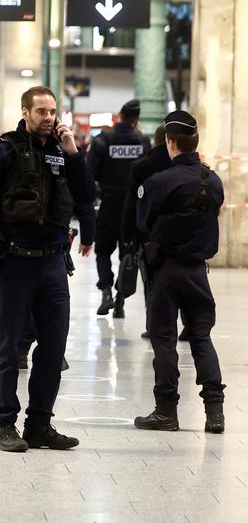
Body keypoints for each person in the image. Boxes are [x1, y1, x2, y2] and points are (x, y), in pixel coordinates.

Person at [0, 87, 94, 453]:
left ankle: (39, 424)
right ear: (25, 112)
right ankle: (4, 424)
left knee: (53, 348)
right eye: (41, 111)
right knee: (9, 346)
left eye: (52, 111)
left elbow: (86, 195)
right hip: (16, 263)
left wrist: (73, 153)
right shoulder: (5, 150)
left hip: (53, 263)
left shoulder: (61, 150)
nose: (48, 117)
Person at [132, 111, 225, 434]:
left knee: (164, 340)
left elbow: (142, 222)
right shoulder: (212, 180)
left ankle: (166, 411)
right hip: (198, 272)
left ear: (170, 142)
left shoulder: (160, 181)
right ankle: (215, 413)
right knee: (201, 337)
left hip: (167, 271)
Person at [87, 100, 152, 317]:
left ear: (120, 116)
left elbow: (91, 174)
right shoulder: (142, 142)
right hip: (133, 208)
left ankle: (106, 293)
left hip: (109, 205)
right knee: (128, 253)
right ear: (136, 120)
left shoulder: (102, 141)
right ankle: (121, 301)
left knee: (103, 251)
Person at [120, 125, 174, 338]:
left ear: (156, 140)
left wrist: (127, 233)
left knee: (150, 279)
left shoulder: (141, 166)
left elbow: (131, 203)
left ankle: (154, 324)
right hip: (178, 234)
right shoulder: (179, 166)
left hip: (149, 234)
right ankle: (187, 324)